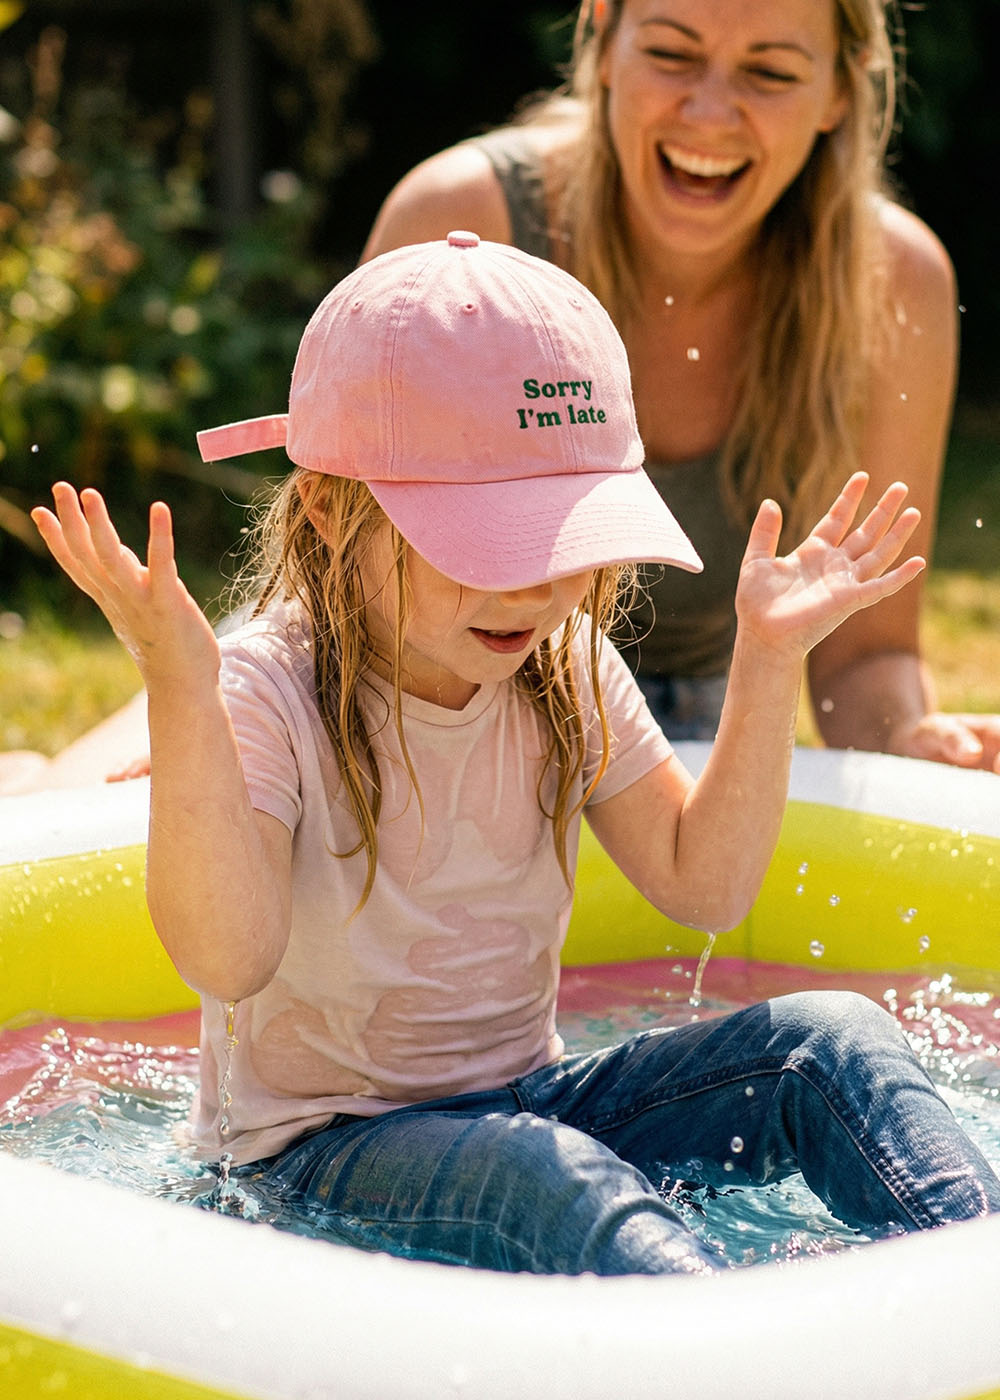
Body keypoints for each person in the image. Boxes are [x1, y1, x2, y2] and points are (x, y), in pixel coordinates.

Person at [30, 234, 1000, 1275]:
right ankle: (733, 1352)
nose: (533, 589)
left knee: (830, 1041)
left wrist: (766, 660)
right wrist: (182, 692)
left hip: (530, 1108)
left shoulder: (563, 666)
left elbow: (705, 883)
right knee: (556, 1181)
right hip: (313, 1154)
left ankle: (966, 1291)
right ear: (327, 505)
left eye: (560, 537)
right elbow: (227, 958)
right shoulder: (268, 688)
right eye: (488, 542)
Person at [360, 0, 1000, 769]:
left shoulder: (897, 283)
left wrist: (907, 742)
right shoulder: (462, 224)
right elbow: (343, 575)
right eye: (671, 55)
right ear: (603, 37)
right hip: (430, 699)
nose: (709, 113)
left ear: (838, 90)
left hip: (692, 731)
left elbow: (862, 657)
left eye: (769, 72)